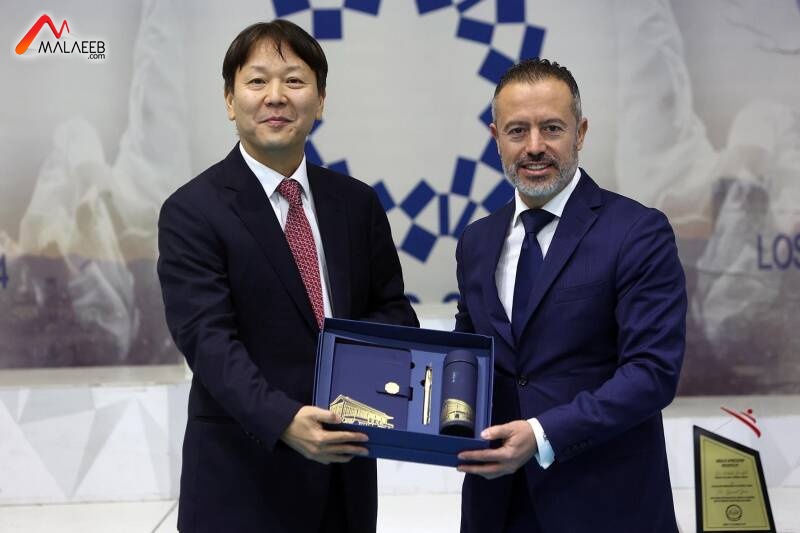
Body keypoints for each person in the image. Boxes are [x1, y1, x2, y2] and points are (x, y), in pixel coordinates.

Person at [157, 20, 417, 533]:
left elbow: (391, 312)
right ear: (230, 100)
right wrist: (283, 421)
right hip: (241, 477)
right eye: (256, 81)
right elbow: (208, 342)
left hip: (344, 474)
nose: (275, 96)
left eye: (294, 81)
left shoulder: (356, 203)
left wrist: (366, 385)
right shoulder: (192, 211)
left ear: (320, 101)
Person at [454, 59, 686, 532]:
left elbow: (652, 373)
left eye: (552, 128)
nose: (534, 147)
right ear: (495, 138)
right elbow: (467, 356)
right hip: (496, 506)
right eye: (517, 130)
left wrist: (541, 434)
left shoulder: (638, 232)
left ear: (580, 133)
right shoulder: (476, 241)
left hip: (607, 507)